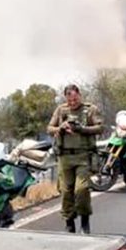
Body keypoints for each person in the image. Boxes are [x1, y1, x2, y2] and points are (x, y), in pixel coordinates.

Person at [48, 84, 103, 234]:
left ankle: (85, 220)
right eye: (69, 100)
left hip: (83, 156)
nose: (72, 102)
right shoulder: (61, 110)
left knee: (82, 189)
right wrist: (60, 128)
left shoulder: (90, 109)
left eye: (75, 99)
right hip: (65, 157)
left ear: (79, 95)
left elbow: (99, 128)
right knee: (66, 191)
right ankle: (69, 222)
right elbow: (49, 128)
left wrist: (82, 129)